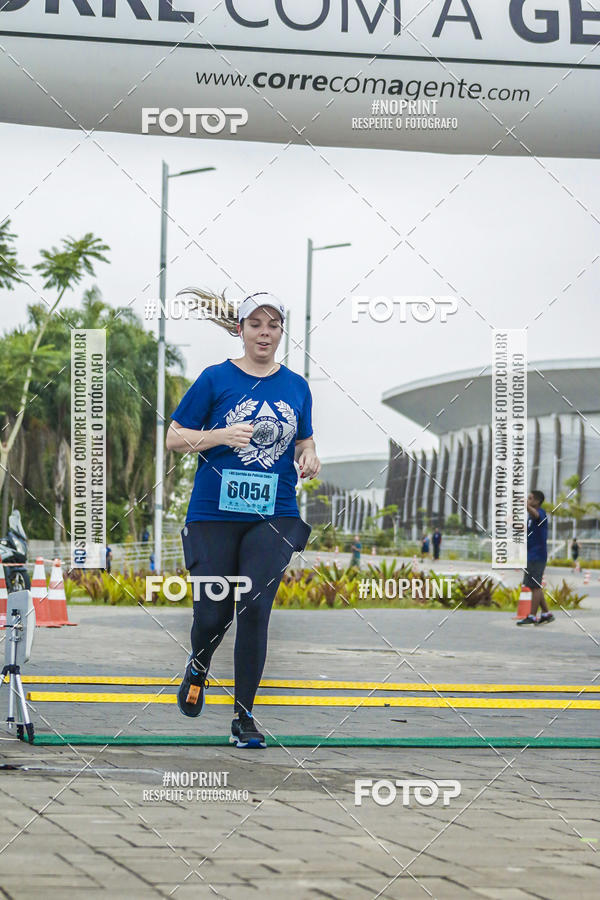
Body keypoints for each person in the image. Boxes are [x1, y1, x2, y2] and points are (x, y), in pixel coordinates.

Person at [166, 290, 319, 749]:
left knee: (254, 607)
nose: (264, 333)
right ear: (241, 329)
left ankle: (244, 717)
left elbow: (304, 440)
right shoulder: (216, 378)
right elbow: (174, 438)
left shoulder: (297, 386)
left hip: (274, 513)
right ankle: (199, 665)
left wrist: (310, 455)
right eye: (256, 325)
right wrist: (221, 435)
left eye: (273, 325)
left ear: (281, 332)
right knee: (214, 612)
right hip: (213, 514)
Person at [517, 490, 554, 626]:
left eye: (530, 498)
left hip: (537, 555)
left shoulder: (540, 513)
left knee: (536, 586)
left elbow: (537, 515)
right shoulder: (531, 518)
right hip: (531, 555)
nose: (528, 500)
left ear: (537, 501)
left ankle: (532, 616)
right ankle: (546, 614)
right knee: (533, 586)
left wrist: (525, 506)